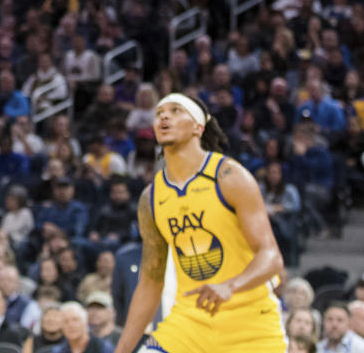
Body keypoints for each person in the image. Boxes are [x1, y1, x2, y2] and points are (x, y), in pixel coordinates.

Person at [112, 94, 286, 353]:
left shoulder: (229, 176)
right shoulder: (151, 197)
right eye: (159, 112)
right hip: (188, 326)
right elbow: (150, 282)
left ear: (198, 127)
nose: (164, 116)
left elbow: (272, 257)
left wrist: (229, 286)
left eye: (175, 110)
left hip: (250, 328)